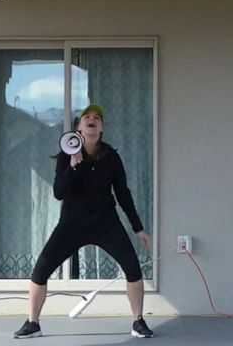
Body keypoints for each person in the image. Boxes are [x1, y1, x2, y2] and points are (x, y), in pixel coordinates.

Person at [13, 104, 154, 339]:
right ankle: (32, 323)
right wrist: (73, 166)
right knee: (40, 270)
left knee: (133, 268)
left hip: (106, 223)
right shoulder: (66, 155)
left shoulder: (111, 157)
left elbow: (123, 194)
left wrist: (138, 228)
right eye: (87, 117)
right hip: (72, 225)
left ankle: (138, 321)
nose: (92, 119)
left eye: (97, 117)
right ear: (79, 127)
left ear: (101, 128)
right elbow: (58, 192)